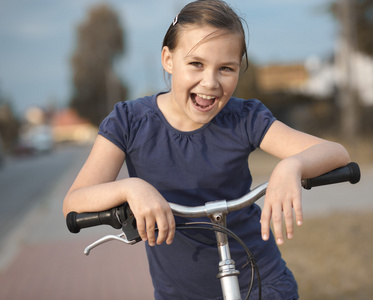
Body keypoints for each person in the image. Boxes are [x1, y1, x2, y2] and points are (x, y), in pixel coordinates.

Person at [63, 0, 351, 299]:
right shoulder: (129, 121)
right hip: (179, 292)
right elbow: (74, 202)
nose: (211, 82)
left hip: (261, 280)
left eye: (226, 68)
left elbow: (335, 152)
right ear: (168, 59)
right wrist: (131, 189)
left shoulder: (244, 117)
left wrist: (292, 166)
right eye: (196, 64)